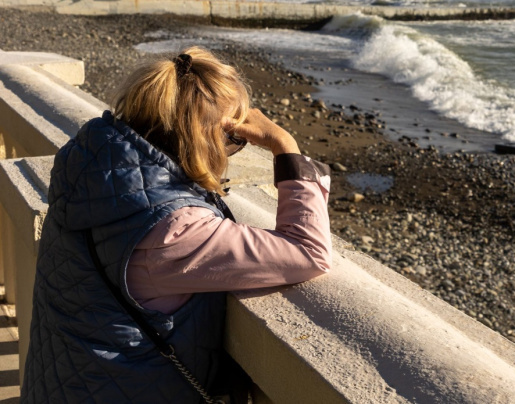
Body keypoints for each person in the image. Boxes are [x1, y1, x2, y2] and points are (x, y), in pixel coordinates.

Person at [22, 47, 333, 403]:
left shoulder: (90, 165)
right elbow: (308, 251)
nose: (230, 153)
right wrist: (285, 146)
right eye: (234, 140)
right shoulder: (173, 230)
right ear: (204, 139)